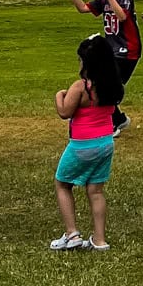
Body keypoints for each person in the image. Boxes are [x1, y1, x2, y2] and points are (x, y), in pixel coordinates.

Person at [49, 34, 123, 251]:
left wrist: (58, 95)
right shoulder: (113, 86)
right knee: (96, 190)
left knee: (63, 183)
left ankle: (72, 234)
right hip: (105, 143)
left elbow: (65, 112)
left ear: (87, 63)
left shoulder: (81, 87)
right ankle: (99, 240)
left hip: (82, 145)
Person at [60, 0, 141, 136]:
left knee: (106, 85)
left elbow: (121, 16)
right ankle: (118, 120)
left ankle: (113, 123)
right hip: (111, 49)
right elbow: (83, 9)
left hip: (128, 50)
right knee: (101, 84)